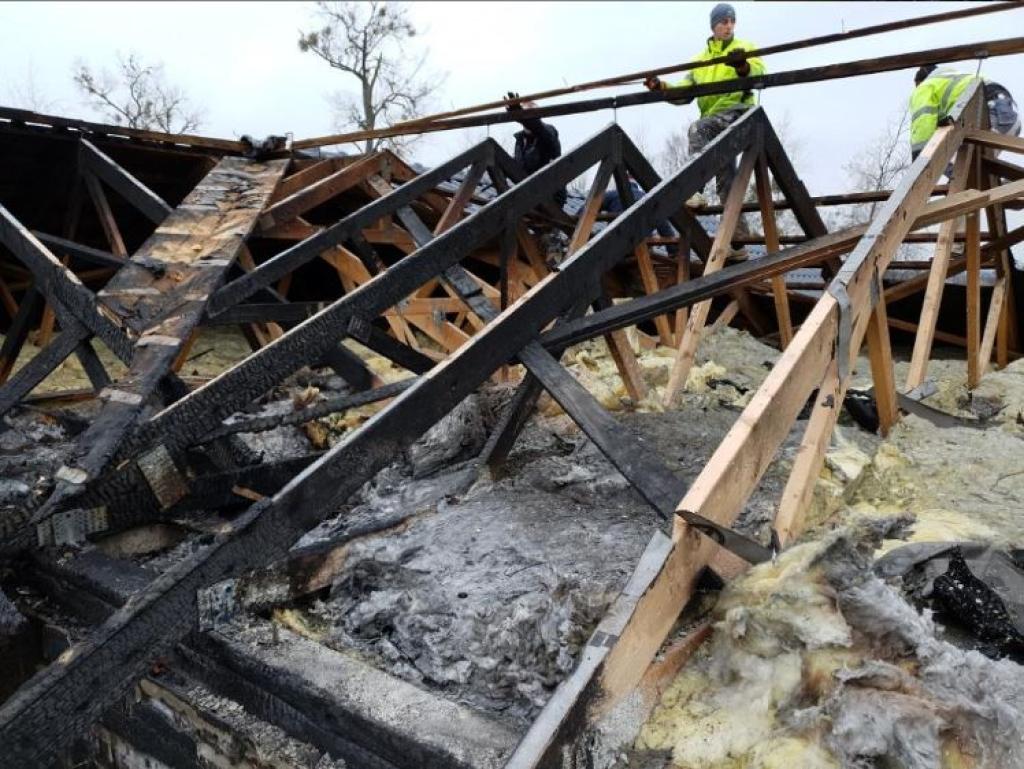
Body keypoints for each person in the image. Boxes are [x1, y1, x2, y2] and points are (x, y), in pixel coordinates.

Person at [643, 2, 766, 253]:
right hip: (715, 118)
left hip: (739, 112)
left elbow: (758, 72)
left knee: (698, 129)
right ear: (714, 26)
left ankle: (692, 188)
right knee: (726, 177)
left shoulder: (745, 48)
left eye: (732, 21)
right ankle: (738, 239)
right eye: (724, 22)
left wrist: (742, 66)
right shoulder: (700, 61)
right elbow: (684, 91)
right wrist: (661, 87)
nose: (729, 26)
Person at [910, 64, 1020, 162]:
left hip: (992, 113)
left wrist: (919, 157)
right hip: (1007, 115)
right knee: (975, 167)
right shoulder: (952, 79)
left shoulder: (925, 86)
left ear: (920, 82)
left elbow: (923, 121)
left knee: (956, 163)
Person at [505, 92, 567, 206]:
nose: (530, 117)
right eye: (526, 112)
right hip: (528, 193)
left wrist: (522, 115)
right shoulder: (520, 140)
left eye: (534, 113)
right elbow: (517, 166)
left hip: (550, 196)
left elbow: (537, 127)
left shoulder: (549, 132)